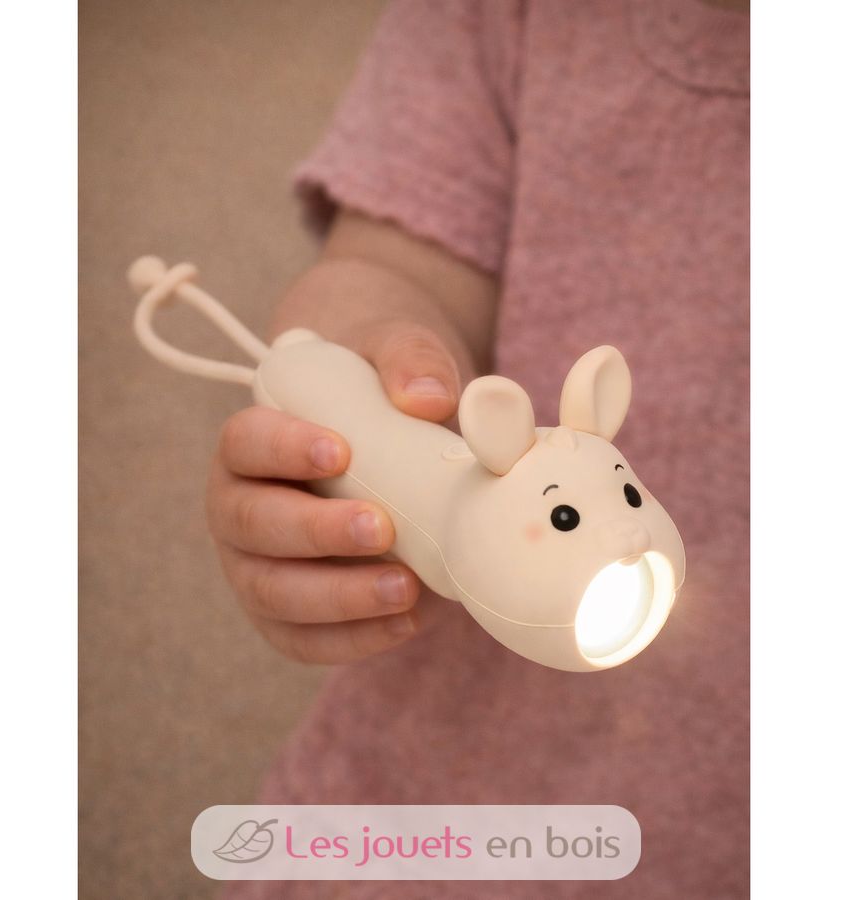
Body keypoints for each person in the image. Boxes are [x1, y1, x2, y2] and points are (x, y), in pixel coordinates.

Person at [209, 1, 749, 896]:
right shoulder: (508, 18)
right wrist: (372, 351)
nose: (630, 532)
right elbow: (393, 269)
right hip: (446, 814)